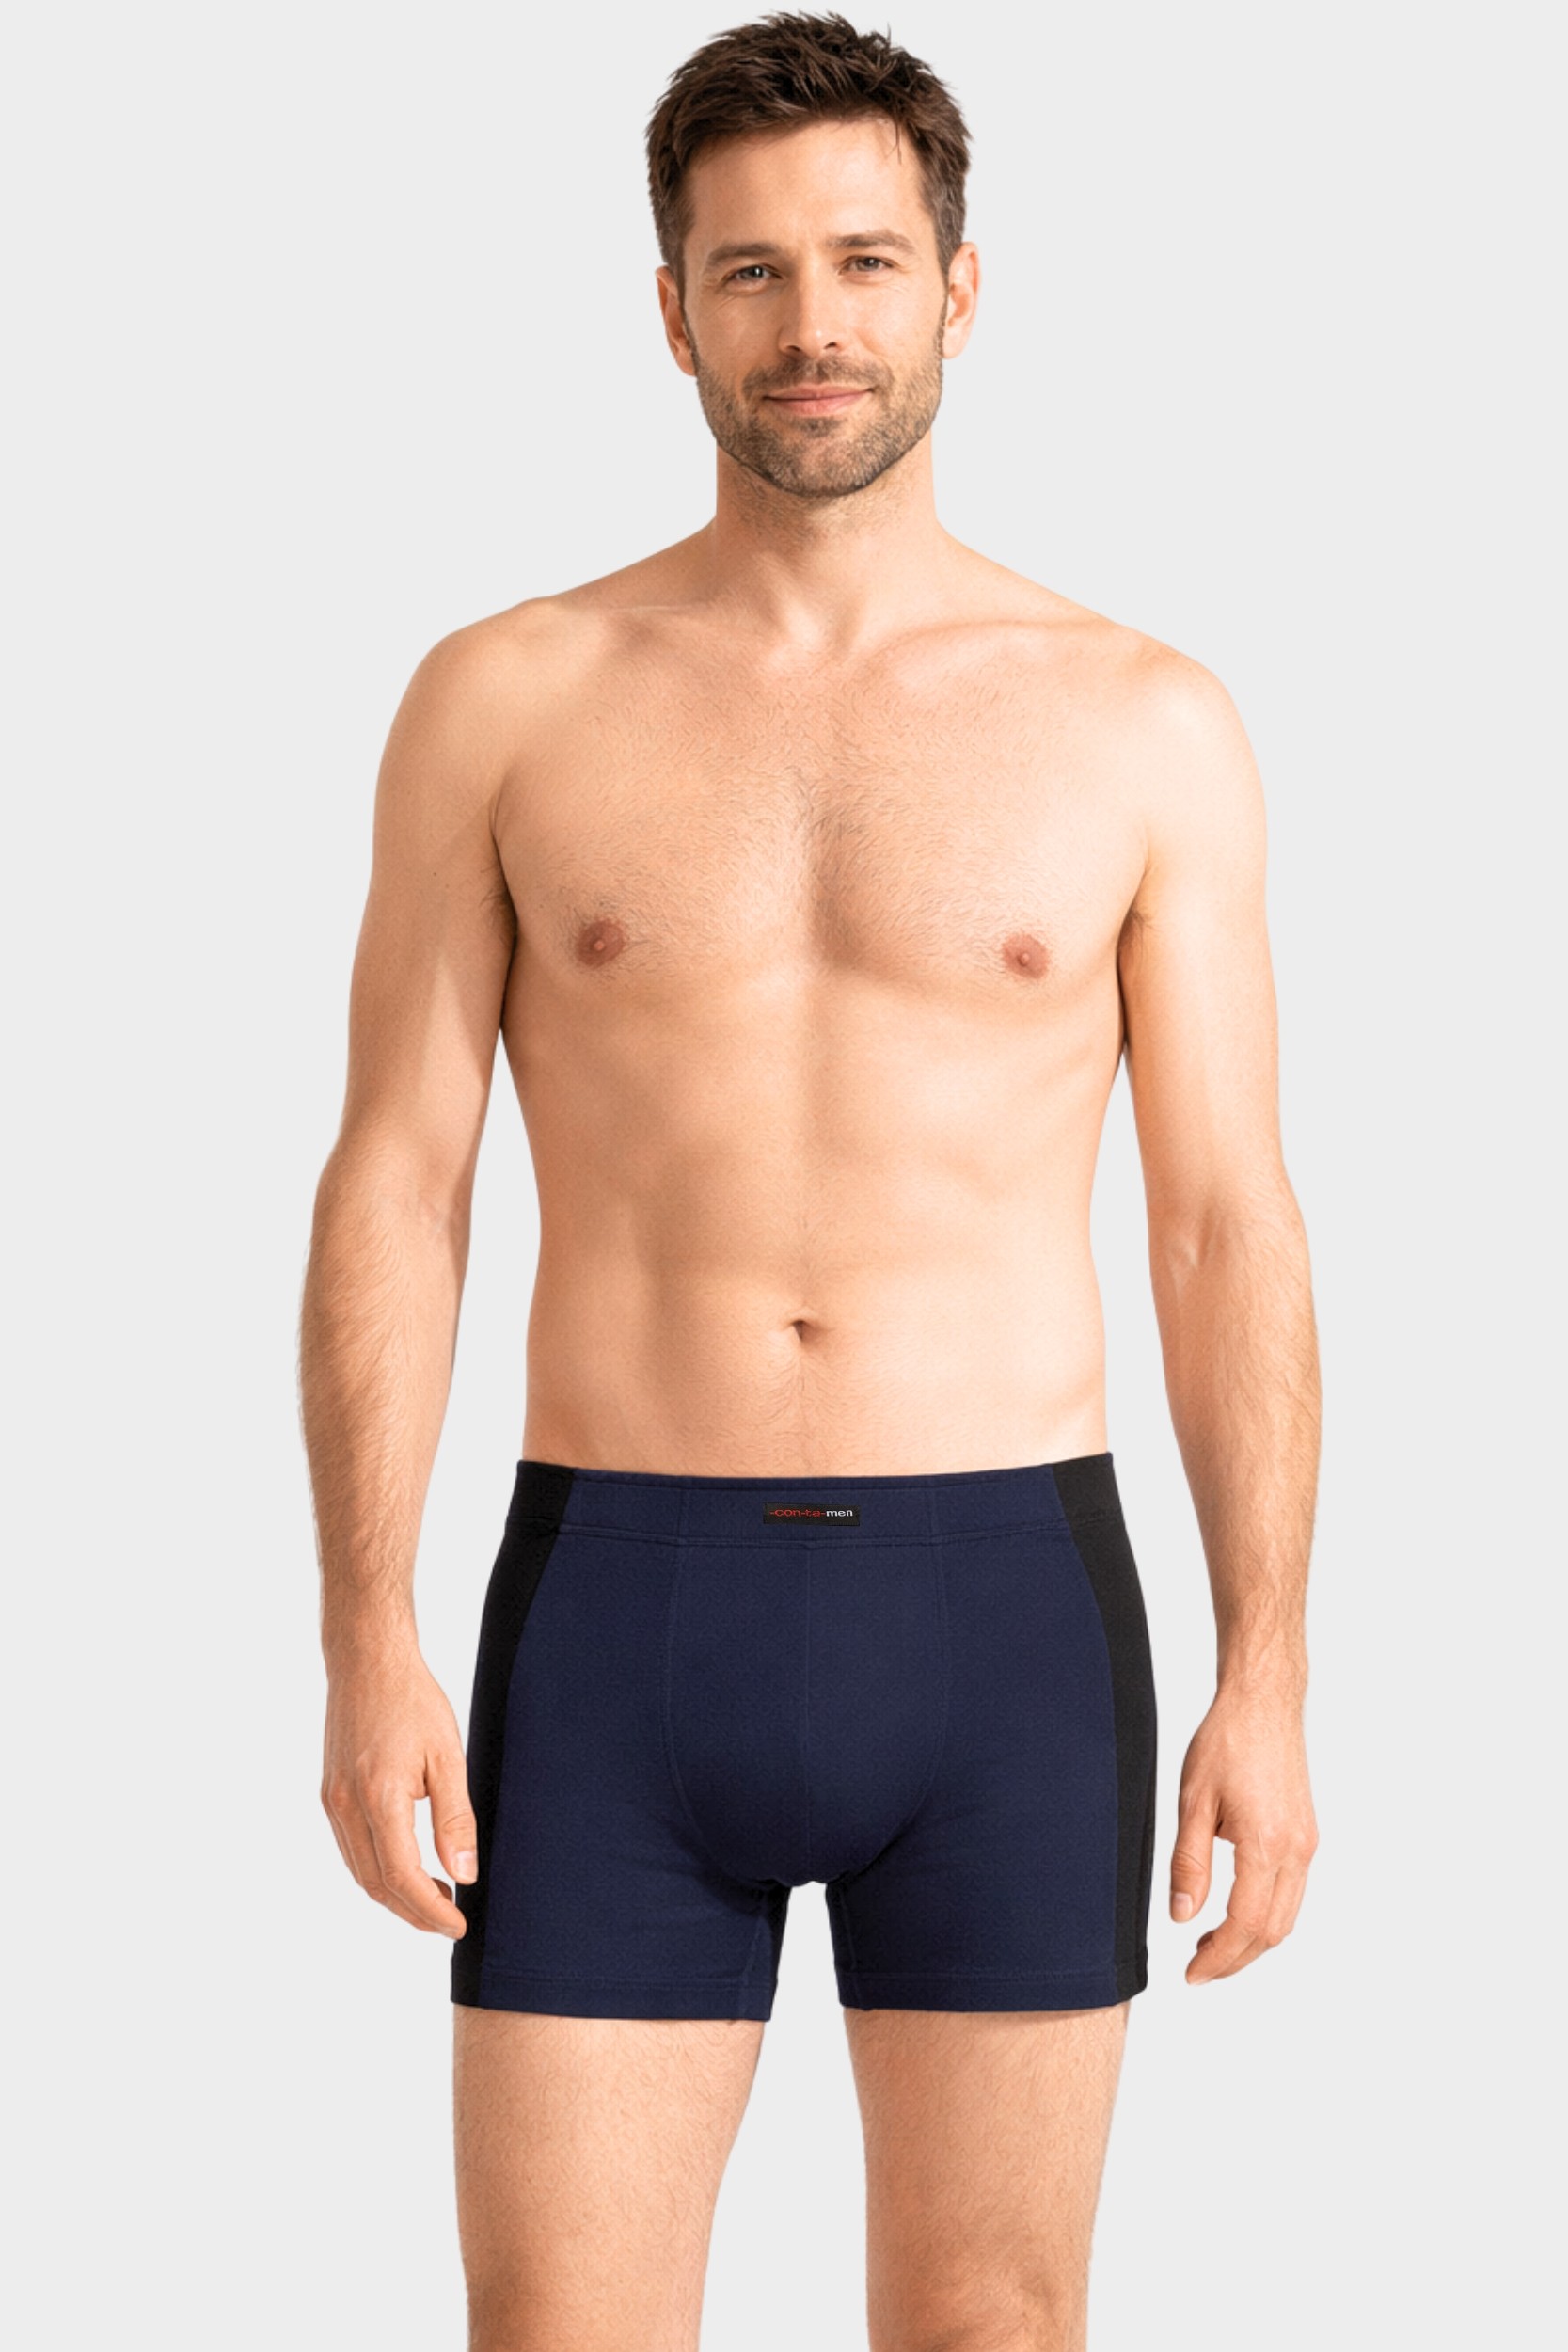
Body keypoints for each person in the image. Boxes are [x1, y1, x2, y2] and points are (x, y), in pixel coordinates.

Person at [300, 13, 1321, 2348]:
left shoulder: (1141, 718)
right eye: (748, 271)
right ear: (671, 310)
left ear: (960, 287)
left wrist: (1267, 1665)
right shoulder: (509, 695)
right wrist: (365, 1627)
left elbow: (1224, 1221)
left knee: (992, 2325)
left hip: (1008, 1617)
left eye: (863, 261)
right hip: (615, 1607)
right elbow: (398, 1181)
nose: (810, 324)